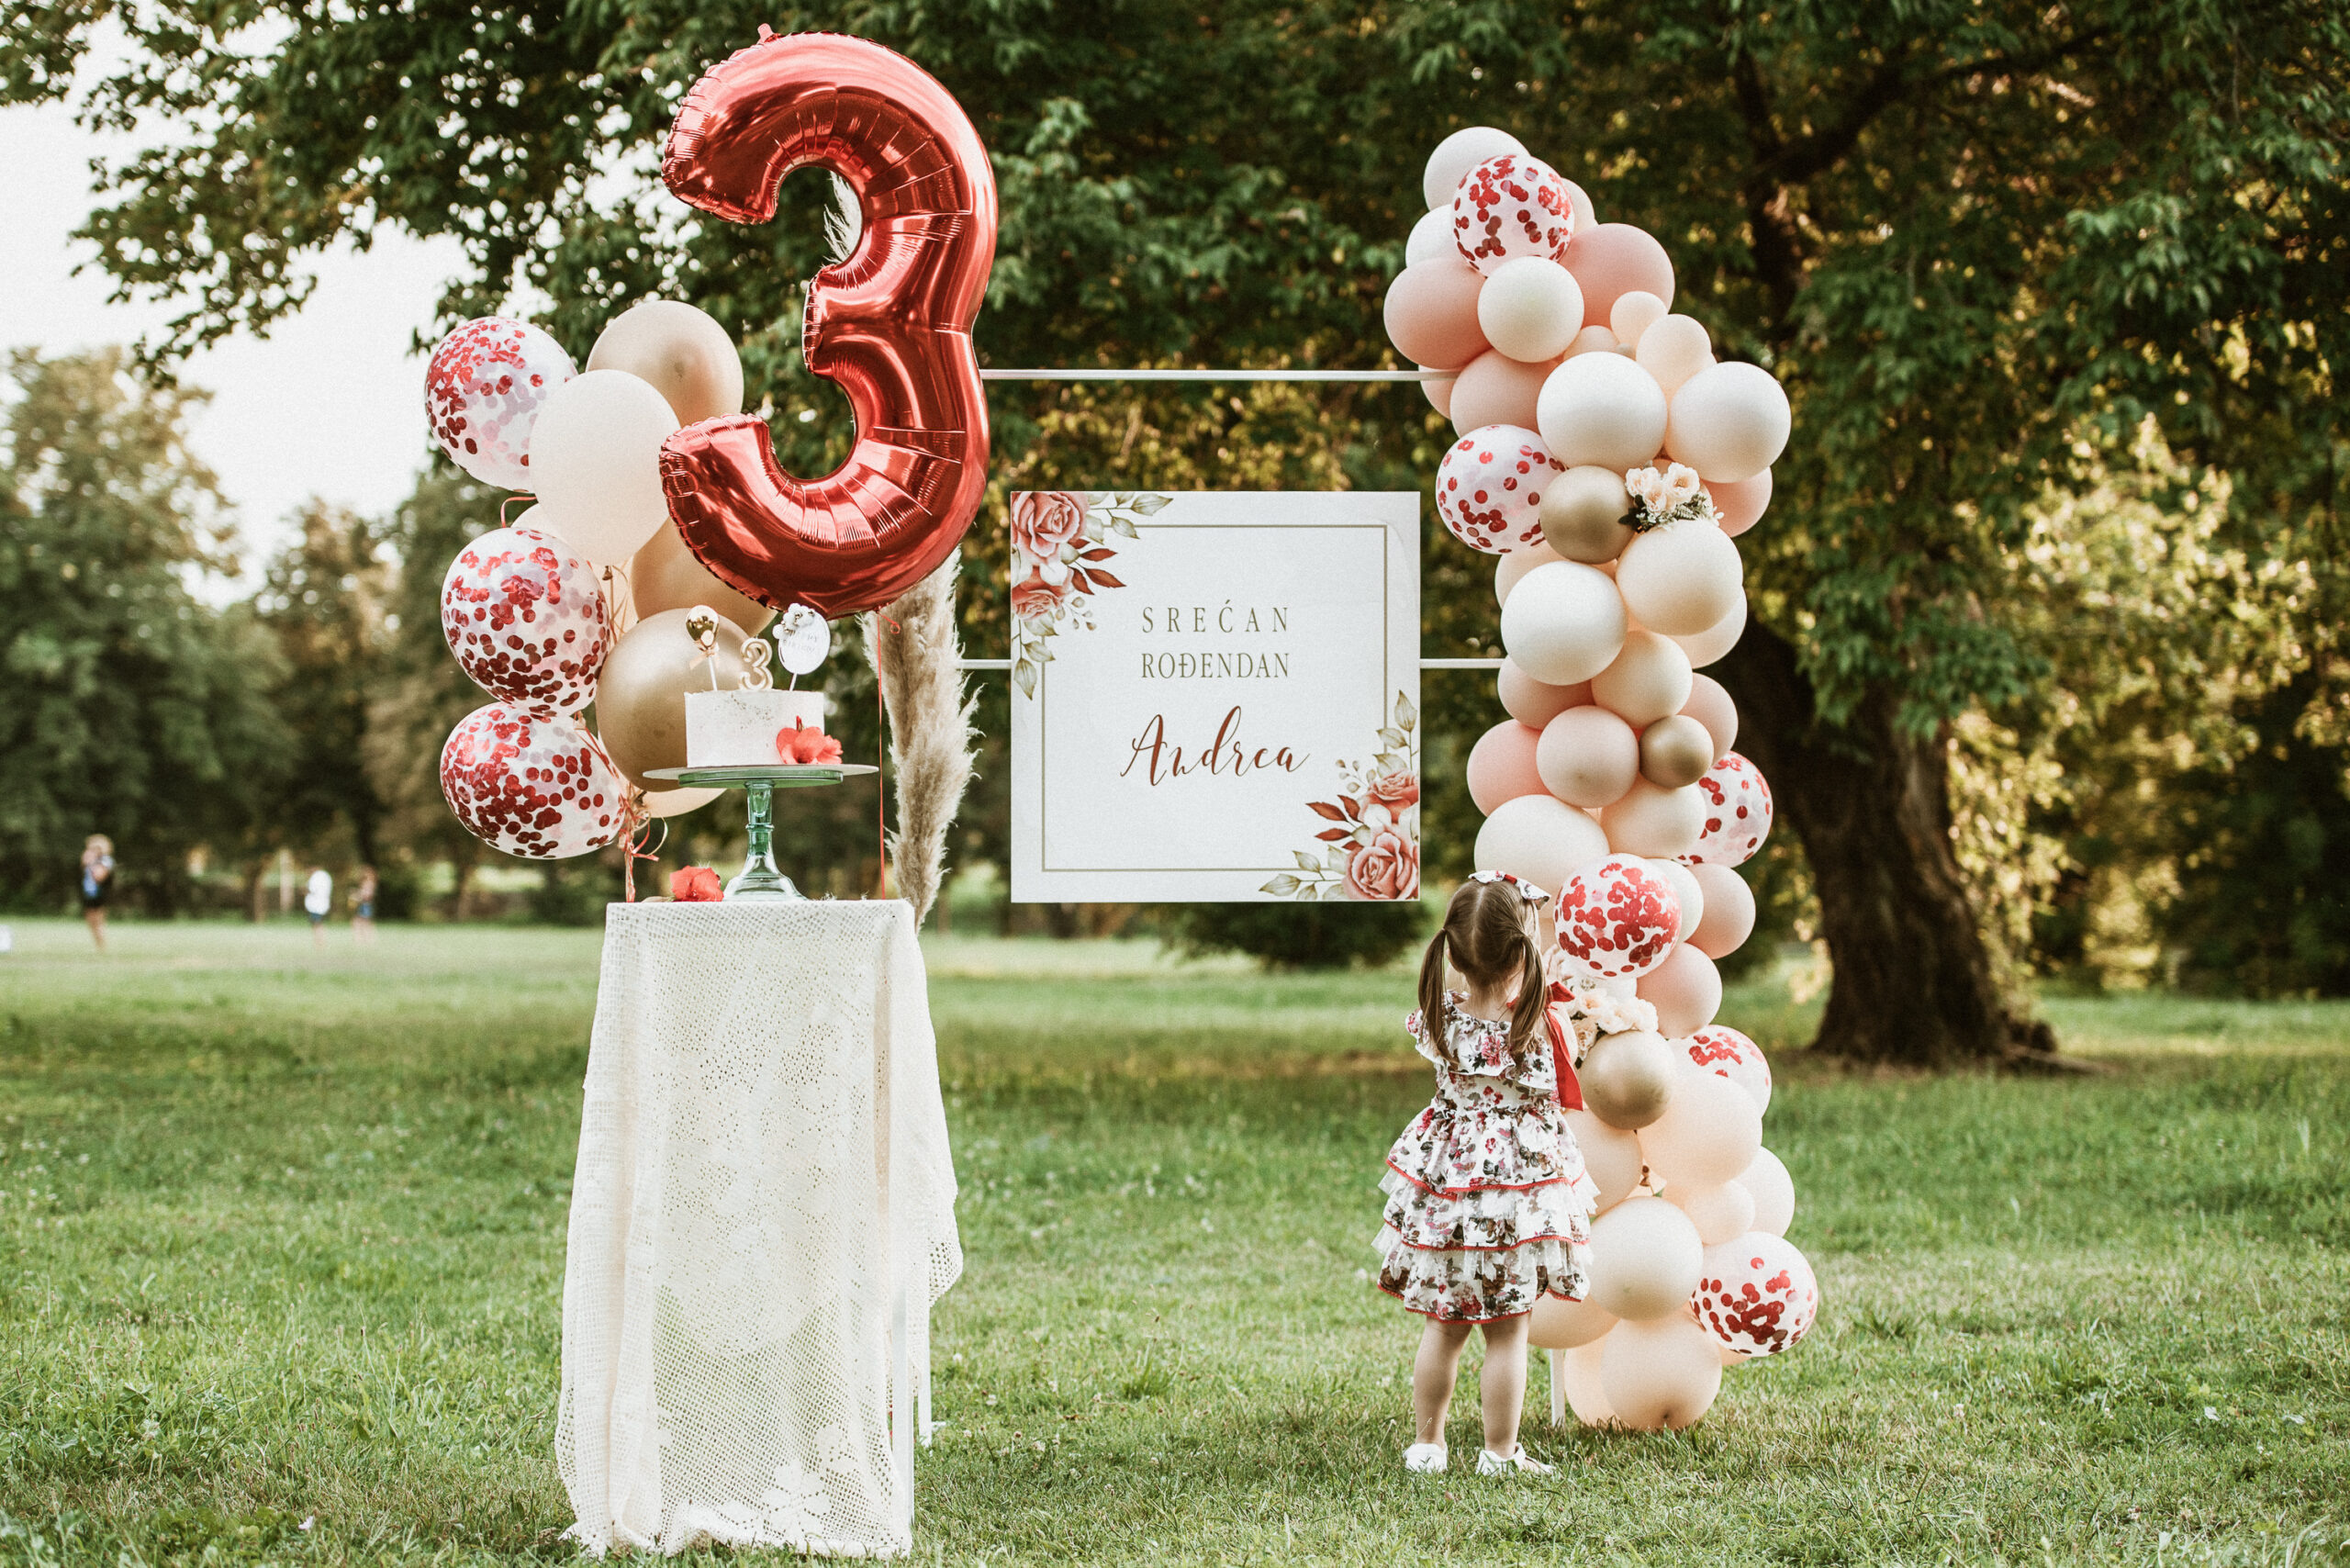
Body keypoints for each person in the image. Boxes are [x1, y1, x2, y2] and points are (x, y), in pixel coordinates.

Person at [1378, 871, 1595, 1477]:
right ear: (1523, 952)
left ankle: (1428, 1446)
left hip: (1448, 1191)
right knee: (1506, 1333)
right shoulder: (1540, 1024)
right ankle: (1499, 1453)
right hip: (1514, 1199)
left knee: (1444, 1326)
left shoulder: (1437, 1015)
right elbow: (1566, 1077)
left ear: (1451, 953)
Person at [78, 835, 114, 953]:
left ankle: (102, 947)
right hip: (89, 893)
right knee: (91, 920)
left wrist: (91, 863)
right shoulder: (94, 860)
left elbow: (99, 876)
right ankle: (98, 946)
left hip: (100, 893)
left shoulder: (105, 860)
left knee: (98, 920)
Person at [304, 866, 333, 948]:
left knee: (317, 924)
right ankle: (319, 941)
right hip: (322, 905)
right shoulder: (325, 876)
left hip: (316, 906)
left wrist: (304, 891)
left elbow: (312, 890)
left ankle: (319, 942)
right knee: (318, 924)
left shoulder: (317, 877)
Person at [352, 866, 378, 946]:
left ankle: (364, 939)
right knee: (362, 922)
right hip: (364, 905)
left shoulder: (369, 883)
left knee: (362, 922)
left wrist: (356, 895)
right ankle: (365, 939)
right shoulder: (368, 883)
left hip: (365, 905)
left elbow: (367, 895)